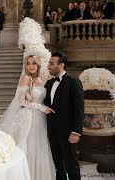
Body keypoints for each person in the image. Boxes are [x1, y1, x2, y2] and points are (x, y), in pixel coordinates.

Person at [0, 55, 56, 180]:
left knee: (40, 146)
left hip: (40, 118)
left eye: (34, 63)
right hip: (29, 117)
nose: (31, 66)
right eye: (28, 63)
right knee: (29, 145)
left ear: (38, 65)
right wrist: (41, 108)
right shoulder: (25, 78)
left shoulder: (40, 80)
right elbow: (21, 101)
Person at [44, 51, 84, 180]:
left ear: (61, 65)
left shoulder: (74, 83)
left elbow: (79, 109)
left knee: (71, 164)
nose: (48, 66)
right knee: (57, 165)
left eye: (51, 63)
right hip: (52, 131)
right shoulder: (49, 84)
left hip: (68, 132)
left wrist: (76, 132)